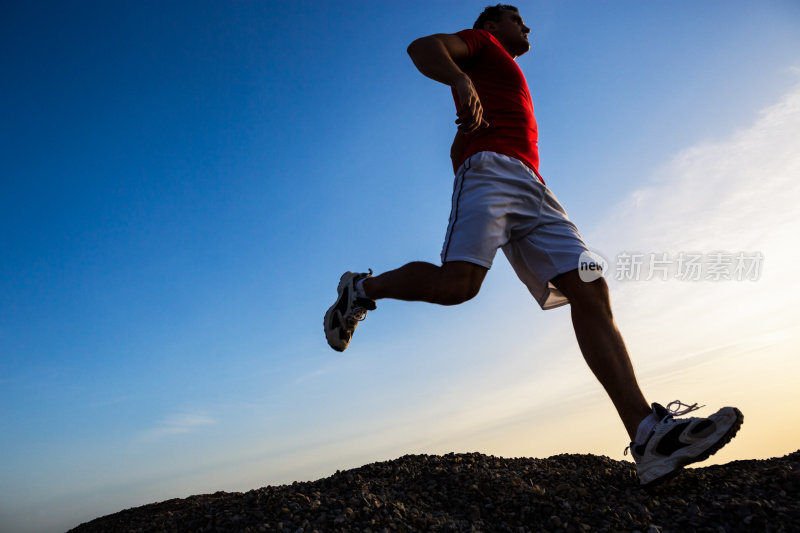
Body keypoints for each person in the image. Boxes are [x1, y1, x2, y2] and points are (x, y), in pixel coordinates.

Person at [323, 4, 743, 487]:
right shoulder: (481, 44)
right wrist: (460, 82)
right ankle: (362, 288)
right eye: (517, 18)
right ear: (492, 24)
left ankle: (646, 436)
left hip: (534, 186)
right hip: (489, 169)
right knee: (459, 285)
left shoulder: (510, 67)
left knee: (591, 285)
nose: (526, 27)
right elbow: (422, 48)